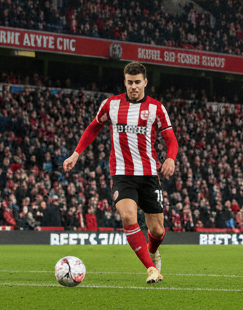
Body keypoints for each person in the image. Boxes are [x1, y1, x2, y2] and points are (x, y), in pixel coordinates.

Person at [62, 62, 176, 283]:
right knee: (127, 216)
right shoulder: (111, 105)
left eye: (137, 82)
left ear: (145, 82)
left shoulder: (156, 108)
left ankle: (153, 251)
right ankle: (151, 268)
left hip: (150, 174)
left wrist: (170, 158)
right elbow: (94, 126)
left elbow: (171, 139)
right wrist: (76, 153)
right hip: (122, 174)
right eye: (129, 82)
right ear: (125, 82)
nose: (133, 86)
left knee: (157, 230)